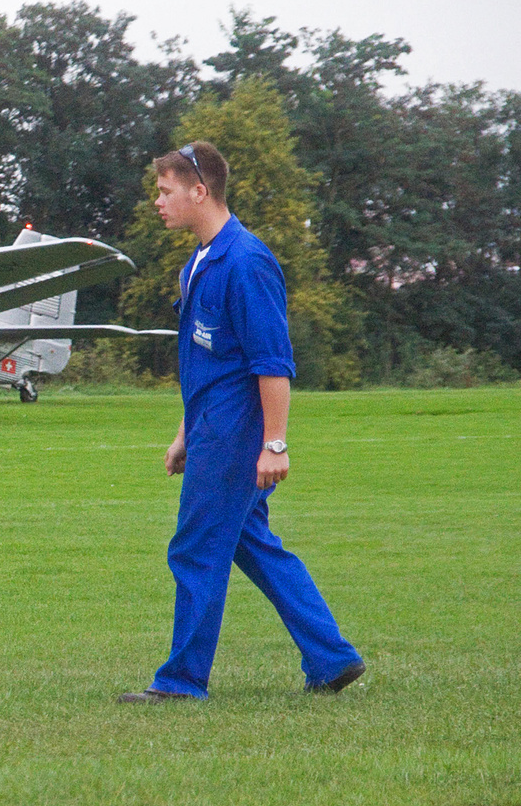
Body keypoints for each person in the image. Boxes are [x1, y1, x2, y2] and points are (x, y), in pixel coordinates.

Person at [119, 141, 365, 703]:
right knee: (253, 544)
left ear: (199, 191)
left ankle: (181, 683)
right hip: (210, 430)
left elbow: (272, 363)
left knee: (194, 550)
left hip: (235, 437)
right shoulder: (199, 263)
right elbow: (202, 364)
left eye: (165, 192)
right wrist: (185, 432)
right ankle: (332, 658)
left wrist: (274, 443)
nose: (158, 203)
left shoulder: (247, 261)